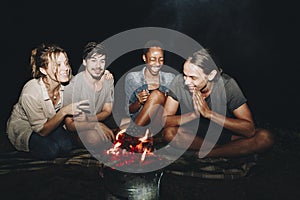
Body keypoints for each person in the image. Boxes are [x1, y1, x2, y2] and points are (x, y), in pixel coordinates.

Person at [162, 48, 274, 158]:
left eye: (193, 77)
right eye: (185, 75)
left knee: (265, 138)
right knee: (169, 133)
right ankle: (226, 150)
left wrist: (209, 114)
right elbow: (164, 121)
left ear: (211, 75)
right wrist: (193, 115)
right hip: (196, 135)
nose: (186, 82)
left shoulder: (227, 85)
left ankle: (209, 154)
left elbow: (249, 130)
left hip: (227, 135)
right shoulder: (178, 82)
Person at [6, 43, 90, 160]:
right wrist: (64, 111)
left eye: (66, 63)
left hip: (51, 122)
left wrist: (103, 74)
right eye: (58, 65)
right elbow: (42, 131)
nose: (65, 68)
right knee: (51, 151)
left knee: (66, 147)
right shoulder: (30, 92)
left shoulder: (67, 79)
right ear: (43, 70)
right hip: (27, 127)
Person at [63, 41, 115, 152]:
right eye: (93, 61)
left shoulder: (108, 79)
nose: (98, 66)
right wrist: (94, 125)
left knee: (129, 127)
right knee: (94, 139)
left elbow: (107, 110)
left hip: (95, 121)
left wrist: (91, 120)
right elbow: (70, 125)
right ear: (85, 62)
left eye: (102, 61)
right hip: (77, 130)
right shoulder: (73, 86)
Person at [124, 40, 175, 136]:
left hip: (160, 122)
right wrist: (139, 102)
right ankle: (141, 135)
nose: (157, 63)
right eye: (152, 59)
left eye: (161, 59)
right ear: (144, 58)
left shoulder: (170, 79)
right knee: (122, 125)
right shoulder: (133, 78)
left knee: (157, 95)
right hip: (140, 120)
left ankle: (132, 134)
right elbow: (128, 111)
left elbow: (172, 111)